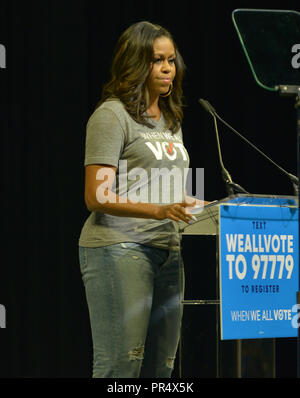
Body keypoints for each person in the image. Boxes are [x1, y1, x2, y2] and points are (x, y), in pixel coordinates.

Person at [78, 21, 204, 378]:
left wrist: (190, 205)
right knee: (122, 365)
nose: (168, 68)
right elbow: (96, 194)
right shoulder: (112, 115)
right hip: (120, 248)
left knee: (160, 370)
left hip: (169, 250)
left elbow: (158, 186)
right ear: (136, 63)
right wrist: (159, 209)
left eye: (171, 60)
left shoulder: (171, 120)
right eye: (157, 60)